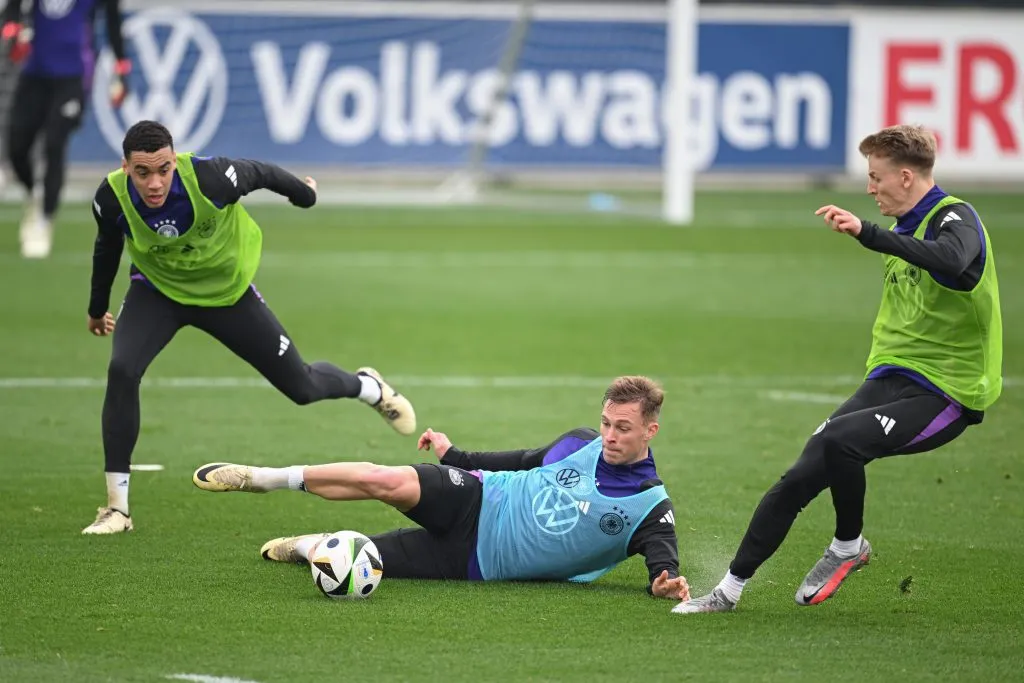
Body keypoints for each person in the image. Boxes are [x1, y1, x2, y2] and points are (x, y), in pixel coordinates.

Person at [674, 124, 1002, 614]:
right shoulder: (903, 228)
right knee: (801, 473)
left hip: (947, 393)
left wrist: (868, 235)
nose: (870, 189)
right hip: (891, 377)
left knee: (841, 440)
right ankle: (728, 591)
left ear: (906, 177)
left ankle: (848, 545)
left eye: (876, 177)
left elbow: (954, 260)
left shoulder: (954, 217)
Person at [82, 119, 416, 536]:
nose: (155, 183)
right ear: (125, 167)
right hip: (157, 293)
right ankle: (117, 509)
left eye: (164, 169)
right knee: (122, 369)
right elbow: (106, 248)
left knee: (302, 387)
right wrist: (97, 309)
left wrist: (304, 195)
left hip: (228, 296)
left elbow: (260, 173)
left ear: (175, 161)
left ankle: (368, 387)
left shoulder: (210, 178)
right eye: (142, 172)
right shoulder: (110, 198)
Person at [192, 376, 690, 600]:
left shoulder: (649, 508)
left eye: (623, 428)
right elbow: (520, 461)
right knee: (385, 480)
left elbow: (663, 565)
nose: (609, 436)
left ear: (650, 430)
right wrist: (456, 457)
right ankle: (262, 478)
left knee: (360, 559)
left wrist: (663, 583)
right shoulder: (579, 443)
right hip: (476, 497)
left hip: (473, 564)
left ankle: (307, 545)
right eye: (606, 422)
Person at [1, 0, 130, 258]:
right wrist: (13, 30)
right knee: (17, 146)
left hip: (73, 76)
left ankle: (44, 219)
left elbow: (113, 21)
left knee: (54, 142)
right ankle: (35, 193)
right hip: (35, 72)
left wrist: (121, 71)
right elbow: (11, 10)